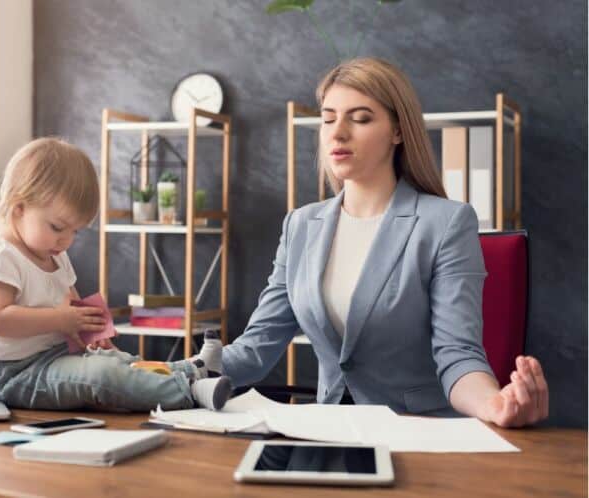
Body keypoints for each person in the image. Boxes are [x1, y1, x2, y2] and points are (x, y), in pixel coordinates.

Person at [221, 58, 548, 427]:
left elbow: (458, 354)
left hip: (416, 431)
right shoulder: (300, 225)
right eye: (328, 119)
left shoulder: (446, 223)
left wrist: (493, 404)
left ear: (397, 130)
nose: (337, 133)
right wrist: (168, 375)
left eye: (360, 119)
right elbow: (254, 350)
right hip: (329, 431)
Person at [0, 137, 231, 412]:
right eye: (57, 227)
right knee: (103, 376)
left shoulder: (56, 255)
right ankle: (190, 390)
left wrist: (93, 334)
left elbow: (76, 306)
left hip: (55, 357)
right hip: (14, 373)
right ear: (18, 208)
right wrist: (59, 319)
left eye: (75, 232)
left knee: (117, 361)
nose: (66, 241)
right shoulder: (0, 257)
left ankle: (191, 369)